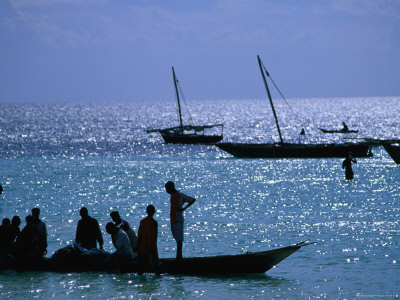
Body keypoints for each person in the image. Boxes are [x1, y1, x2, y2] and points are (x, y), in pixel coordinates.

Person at [165, 181, 196, 260]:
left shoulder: (180, 195)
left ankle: (179, 256)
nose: (166, 190)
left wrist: (184, 208)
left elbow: (192, 200)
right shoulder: (172, 196)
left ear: (171, 187)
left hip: (178, 218)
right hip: (173, 219)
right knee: (176, 237)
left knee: (179, 238)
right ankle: (178, 256)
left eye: (167, 188)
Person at [137, 205, 159, 275]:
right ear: (154, 212)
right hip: (151, 246)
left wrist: (137, 246)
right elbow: (154, 237)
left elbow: (139, 235)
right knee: (156, 268)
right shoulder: (154, 222)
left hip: (142, 247)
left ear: (146, 212)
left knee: (141, 268)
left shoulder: (142, 222)